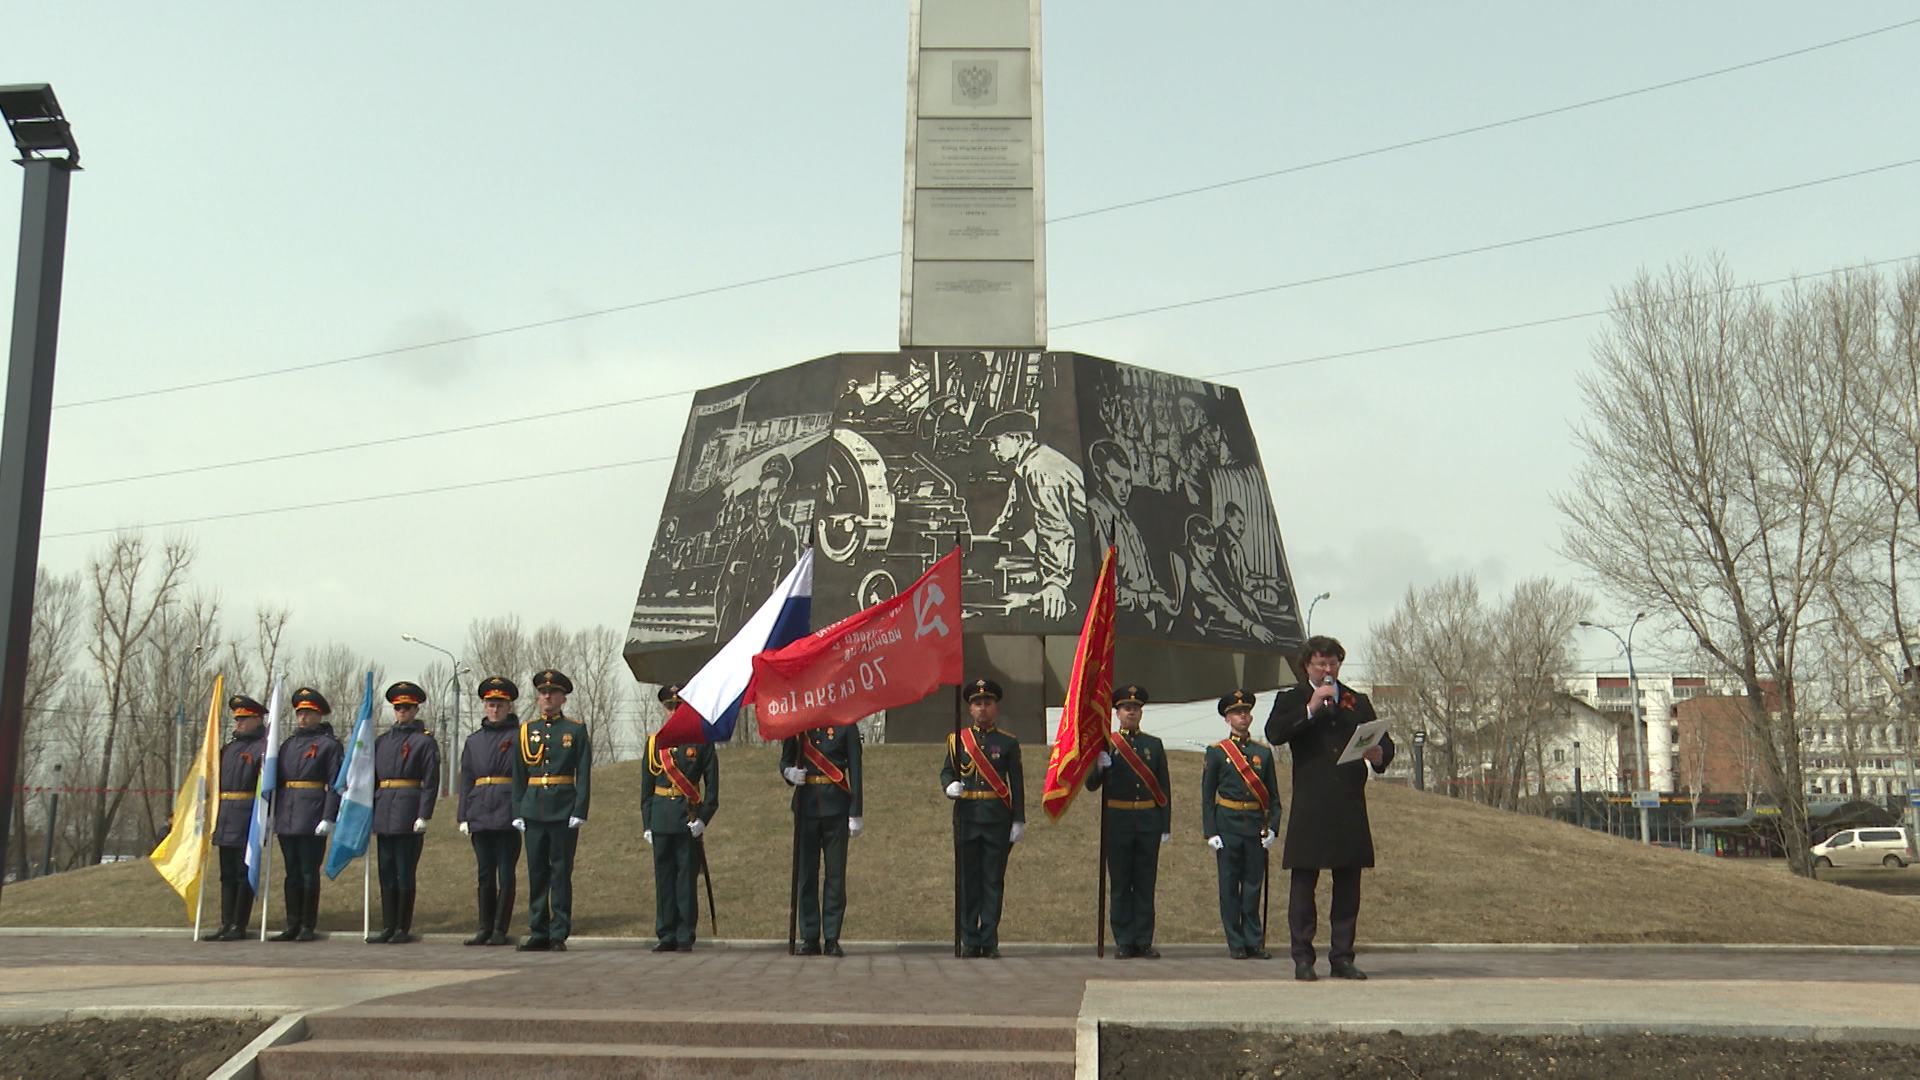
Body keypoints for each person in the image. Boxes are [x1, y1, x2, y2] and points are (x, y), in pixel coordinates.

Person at [1266, 635, 1395, 981]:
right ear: (1307, 665)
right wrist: (1311, 707)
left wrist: (1380, 755)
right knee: (1304, 881)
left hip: (1348, 802)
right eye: (1321, 663)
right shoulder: (1292, 698)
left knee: (1348, 883)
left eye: (1333, 663)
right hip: (1311, 802)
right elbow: (1275, 732)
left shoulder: (1356, 700)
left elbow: (1384, 742)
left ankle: (1342, 957)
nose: (1328, 669)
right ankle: (1303, 959)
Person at [1084, 684, 1171, 958]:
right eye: (1125, 708)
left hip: (1147, 820)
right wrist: (1099, 766)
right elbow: (1090, 785)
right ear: (1117, 713)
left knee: (1145, 883)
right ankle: (1123, 939)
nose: (1131, 712)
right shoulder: (1106, 744)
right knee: (1121, 884)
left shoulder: (1153, 745)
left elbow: (1164, 789)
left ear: (1141, 713)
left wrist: (1164, 825)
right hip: (1118, 821)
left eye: (1135, 709)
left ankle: (1143, 940)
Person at [941, 677, 1024, 958]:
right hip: (966, 818)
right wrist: (948, 786)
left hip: (996, 819)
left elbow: (1018, 784)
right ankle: (969, 938)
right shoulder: (957, 740)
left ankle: (988, 940)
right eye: (977, 704)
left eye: (987, 703)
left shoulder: (1008, 743)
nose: (983, 708)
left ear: (995, 708)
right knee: (968, 880)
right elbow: (947, 771)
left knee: (992, 880)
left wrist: (1018, 820)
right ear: (970, 709)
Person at [511, 669, 592, 952]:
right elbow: (518, 773)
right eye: (544, 693)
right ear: (537, 698)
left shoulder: (575, 729)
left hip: (563, 808)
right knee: (536, 872)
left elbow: (583, 771)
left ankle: (559, 932)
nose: (548, 697)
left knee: (560, 872)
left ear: (563, 698)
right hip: (533, 808)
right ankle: (538, 931)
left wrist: (580, 808)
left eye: (554, 693)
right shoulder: (526, 730)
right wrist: (517, 809)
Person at [976, 412, 1086, 621]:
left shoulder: (1041, 469)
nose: (991, 450)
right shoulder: (1028, 466)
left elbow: (1056, 528)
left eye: (995, 442)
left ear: (1017, 439)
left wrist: (1055, 583)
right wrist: (984, 549)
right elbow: (1011, 519)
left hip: (1082, 561)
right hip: (1072, 556)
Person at [1200, 689, 1280, 960]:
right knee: (1229, 885)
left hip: (1255, 827)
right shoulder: (1217, 752)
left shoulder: (1263, 754)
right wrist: (1210, 831)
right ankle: (1235, 942)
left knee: (1252, 886)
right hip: (1227, 825)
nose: (1242, 716)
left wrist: (1274, 828)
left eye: (1245, 711)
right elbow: (1207, 795)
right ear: (1227, 719)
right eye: (1236, 713)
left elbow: (1274, 797)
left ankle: (1253, 941)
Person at [641, 684, 717, 953]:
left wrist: (703, 820)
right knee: (664, 878)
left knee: (685, 879)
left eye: (678, 706)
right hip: (661, 818)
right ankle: (666, 933)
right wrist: (647, 823)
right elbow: (646, 788)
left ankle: (685, 933)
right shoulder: (654, 743)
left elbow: (713, 791)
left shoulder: (701, 741)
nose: (673, 711)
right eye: (669, 707)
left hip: (688, 818)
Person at [780, 716, 863, 956]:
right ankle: (809, 936)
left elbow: (855, 769)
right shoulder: (796, 725)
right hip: (806, 807)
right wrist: (788, 772)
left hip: (836, 804)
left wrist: (856, 811)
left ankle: (832, 937)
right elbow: (785, 759)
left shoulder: (846, 724)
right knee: (806, 874)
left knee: (835, 875)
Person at [368, 681, 439, 944]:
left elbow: (430, 781)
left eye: (407, 707)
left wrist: (424, 814)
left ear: (416, 709)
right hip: (384, 809)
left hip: (409, 810)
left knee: (404, 870)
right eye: (398, 707)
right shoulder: (382, 741)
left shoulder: (424, 742)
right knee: (385, 870)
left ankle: (402, 927)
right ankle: (388, 925)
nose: (402, 711)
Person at [271, 687, 342, 942]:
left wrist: (328, 816)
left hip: (312, 813)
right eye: (300, 713)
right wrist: (273, 814)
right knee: (291, 873)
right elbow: (278, 781)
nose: (303, 718)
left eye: (309, 713)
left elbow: (335, 783)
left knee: (308, 872)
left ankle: (307, 925)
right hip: (287, 814)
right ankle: (293, 923)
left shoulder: (328, 745)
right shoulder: (288, 745)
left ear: (319, 714)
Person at [458, 675, 523, 946]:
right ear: (484, 707)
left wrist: (522, 811)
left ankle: (500, 928)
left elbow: (525, 775)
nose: (494, 709)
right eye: (490, 704)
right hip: (480, 811)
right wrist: (463, 815)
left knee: (506, 870)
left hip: (507, 811)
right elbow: (466, 779)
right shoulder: (474, 741)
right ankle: (485, 926)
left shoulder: (520, 737)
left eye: (500, 704)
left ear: (509, 706)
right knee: (484, 871)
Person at [207, 694, 268, 942]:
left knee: (243, 872)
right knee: (227, 874)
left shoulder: (261, 748)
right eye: (237, 719)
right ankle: (226, 921)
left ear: (257, 719)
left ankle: (239, 924)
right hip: (225, 816)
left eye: (244, 718)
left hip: (246, 817)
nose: (239, 723)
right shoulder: (229, 749)